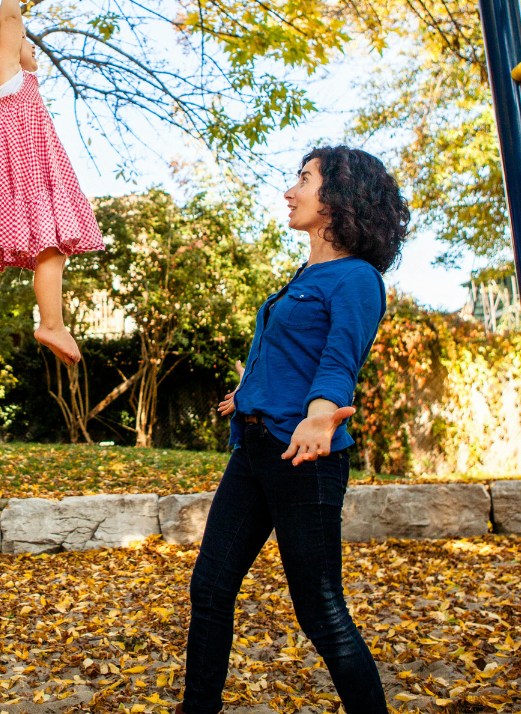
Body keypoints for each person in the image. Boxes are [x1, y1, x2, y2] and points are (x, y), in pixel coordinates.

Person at [177, 146, 410, 714]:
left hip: (306, 455)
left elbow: (337, 361)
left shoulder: (356, 279)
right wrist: (250, 394)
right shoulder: (306, 274)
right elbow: (286, 354)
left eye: (304, 179)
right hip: (256, 447)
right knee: (209, 588)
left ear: (337, 199)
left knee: (320, 609)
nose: (291, 189)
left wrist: (319, 411)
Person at [0, 0, 104, 365]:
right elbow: (10, 20)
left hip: (24, 174)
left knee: (51, 250)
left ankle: (52, 322)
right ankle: (52, 324)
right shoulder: (5, 73)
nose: (31, 45)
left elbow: (12, 27)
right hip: (28, 174)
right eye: (25, 40)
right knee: (51, 249)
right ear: (1, 48)